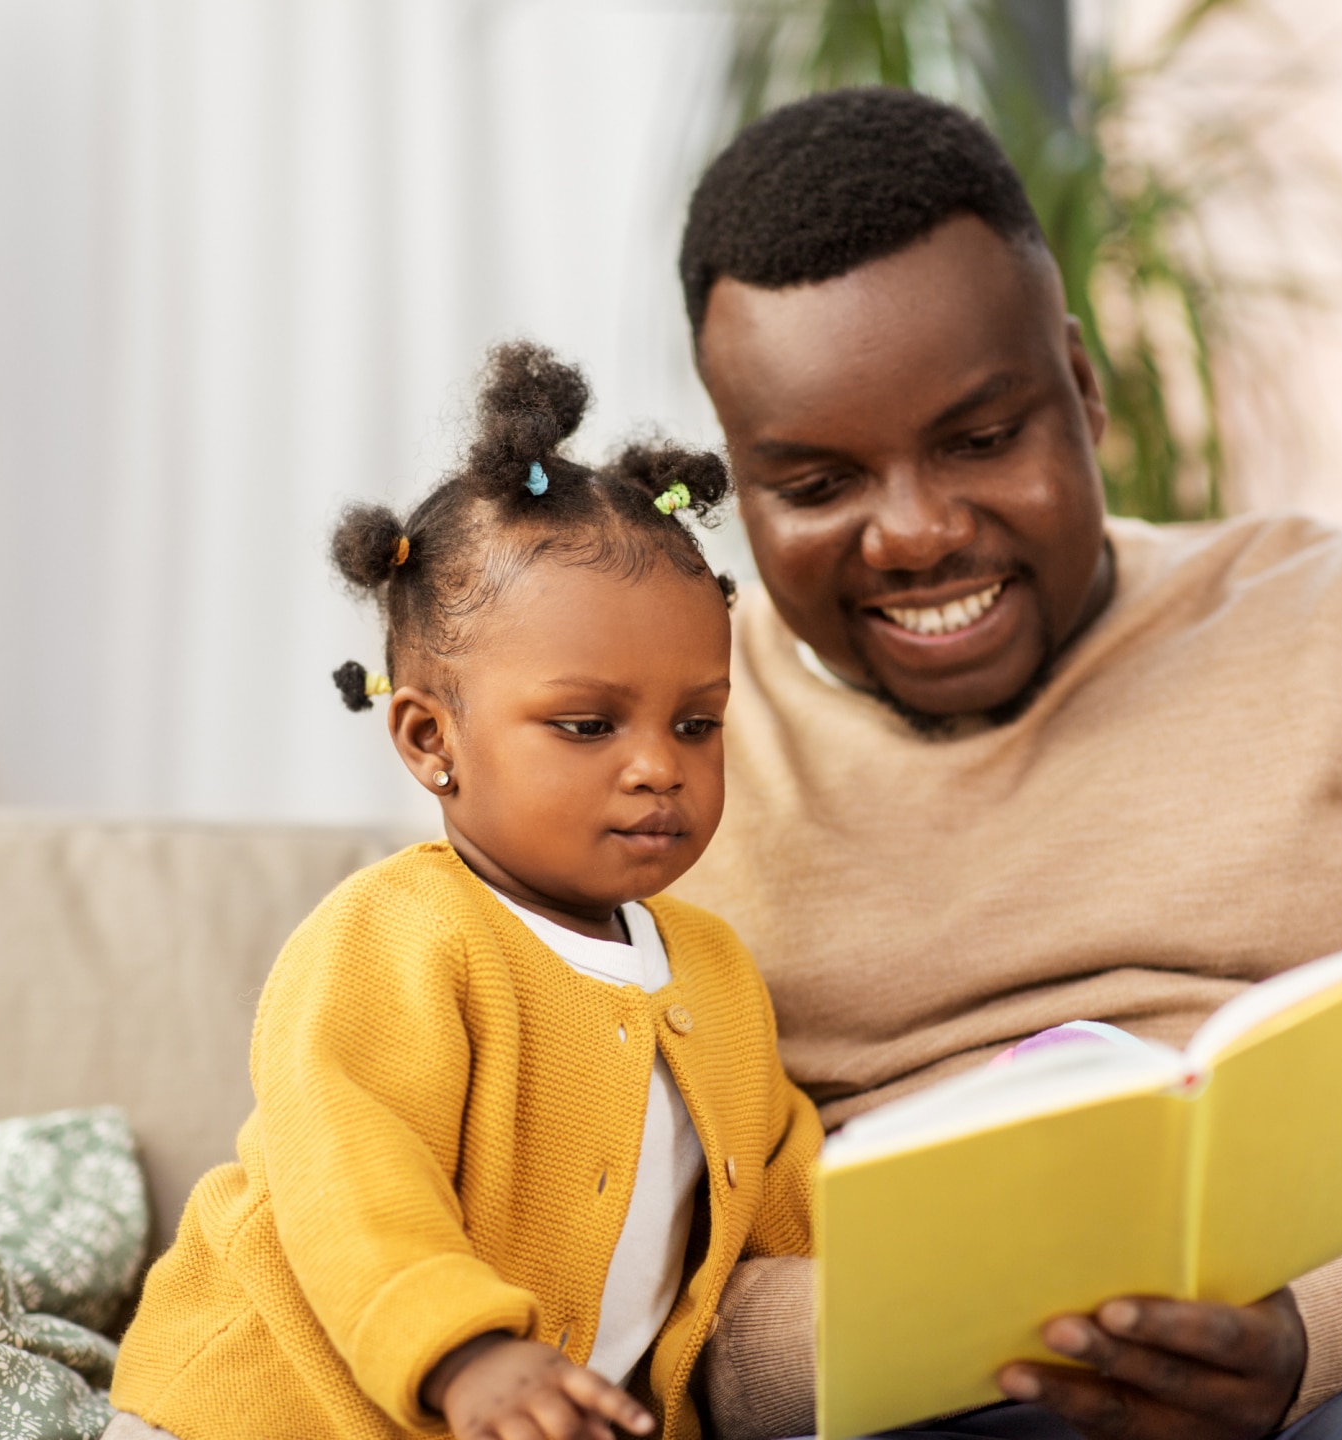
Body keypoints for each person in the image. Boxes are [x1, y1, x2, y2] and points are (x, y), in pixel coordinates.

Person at [674, 90, 1342, 1440]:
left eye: (979, 440)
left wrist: (1306, 1337)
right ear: (740, 478)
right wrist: (950, 1332)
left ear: (1079, 388)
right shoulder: (650, 748)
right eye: (819, 484)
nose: (914, 535)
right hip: (891, 1401)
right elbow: (594, 1275)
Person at [106, 343, 821, 1440]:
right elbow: (349, 1174)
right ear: (430, 737)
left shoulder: (716, 974)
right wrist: (467, 1352)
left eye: (697, 723)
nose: (659, 766)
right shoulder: (394, 936)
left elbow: (785, 1209)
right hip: (262, 1411)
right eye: (588, 725)